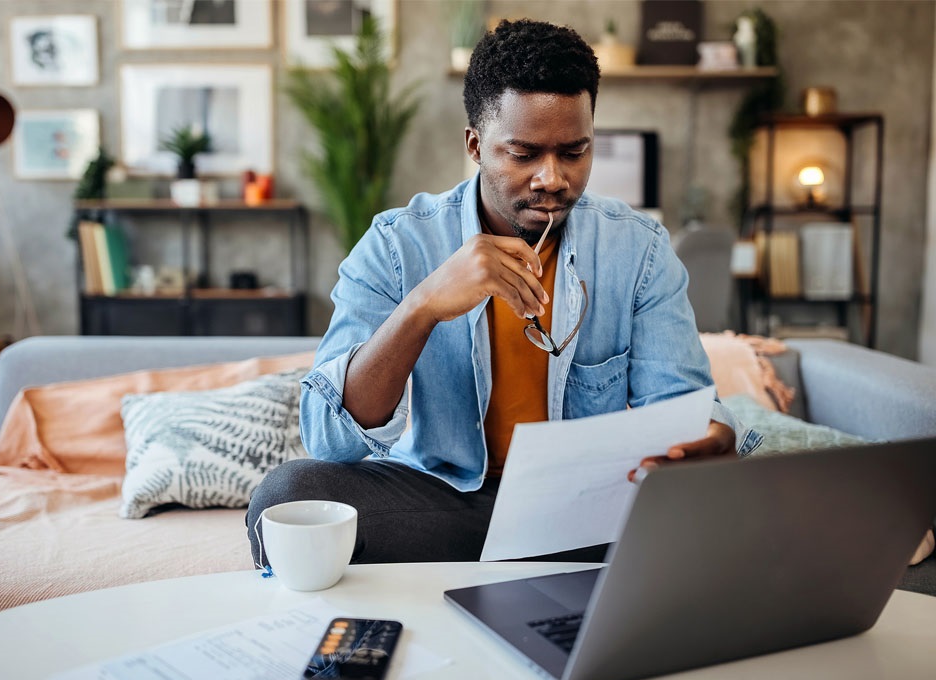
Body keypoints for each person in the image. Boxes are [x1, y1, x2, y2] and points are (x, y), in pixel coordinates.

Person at [246, 18, 762, 568]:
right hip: (448, 503)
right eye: (524, 153)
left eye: (574, 151)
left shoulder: (638, 250)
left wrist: (703, 438)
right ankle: (549, 569)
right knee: (288, 499)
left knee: (750, 510)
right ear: (475, 145)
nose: (552, 178)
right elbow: (331, 440)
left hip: (584, 508)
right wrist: (424, 305)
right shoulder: (398, 245)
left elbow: (679, 408)